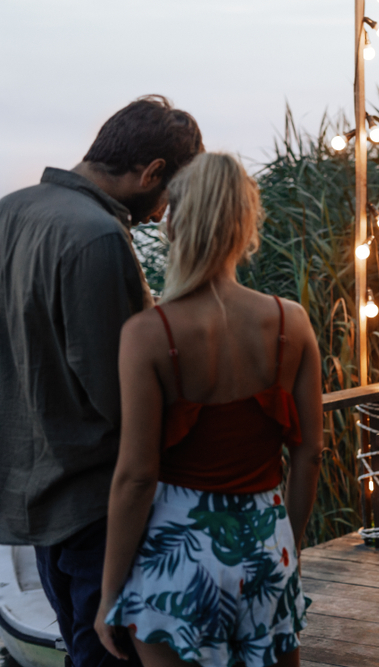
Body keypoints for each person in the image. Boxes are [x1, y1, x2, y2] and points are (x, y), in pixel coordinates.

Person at [94, 153, 323, 666]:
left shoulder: (149, 335)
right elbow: (310, 455)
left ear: (176, 223)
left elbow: (135, 476)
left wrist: (109, 595)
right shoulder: (293, 322)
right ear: (246, 224)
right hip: (267, 545)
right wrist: (290, 548)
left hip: (179, 555)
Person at [0, 95, 203, 666]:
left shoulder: (9, 212)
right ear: (152, 173)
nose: (164, 214)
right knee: (112, 654)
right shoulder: (97, 237)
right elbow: (122, 398)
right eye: (169, 196)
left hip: (36, 500)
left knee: (81, 644)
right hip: (97, 506)